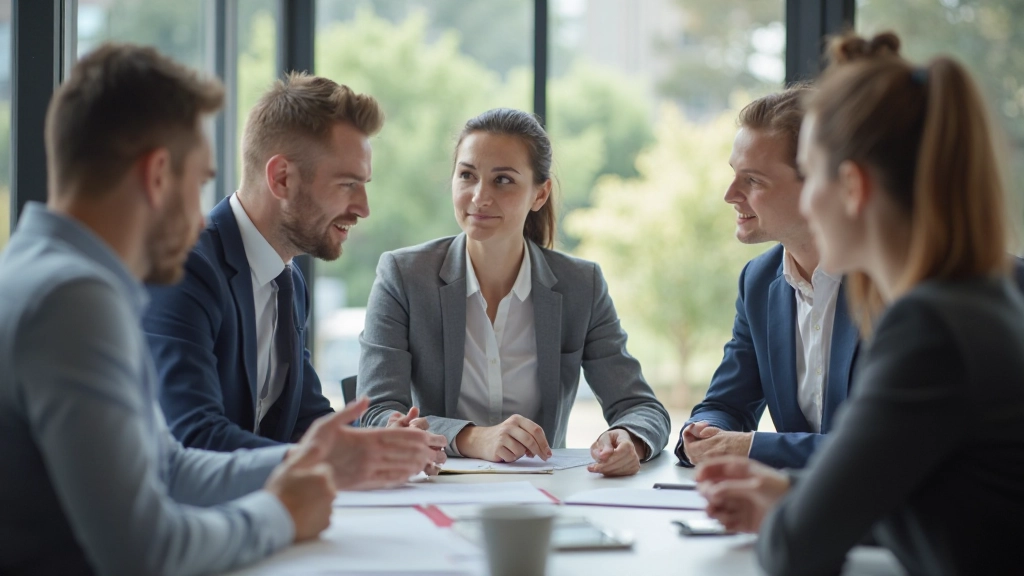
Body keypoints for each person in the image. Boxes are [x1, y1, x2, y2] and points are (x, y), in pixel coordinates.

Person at [0, 43, 436, 575]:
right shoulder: (71, 301)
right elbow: (147, 551)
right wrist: (280, 512)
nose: (202, 214)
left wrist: (323, 458)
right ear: (158, 175)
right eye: (201, 179)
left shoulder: (49, 275)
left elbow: (171, 467)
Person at [697, 32, 1024, 576]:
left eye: (813, 172)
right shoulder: (979, 298)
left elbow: (794, 551)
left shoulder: (927, 326)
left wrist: (796, 509)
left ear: (850, 187)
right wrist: (796, 494)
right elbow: (950, 503)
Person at [142, 73, 446, 472]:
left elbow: (305, 419)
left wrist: (383, 438)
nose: (363, 207)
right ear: (281, 178)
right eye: (348, 184)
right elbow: (193, 436)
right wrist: (335, 457)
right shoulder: (184, 268)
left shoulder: (288, 280)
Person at [357, 108, 671, 477]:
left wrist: (627, 438)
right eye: (467, 176)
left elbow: (642, 409)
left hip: (541, 497)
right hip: (436, 487)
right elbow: (375, 413)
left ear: (540, 194)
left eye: (503, 180)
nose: (478, 197)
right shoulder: (404, 276)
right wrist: (473, 438)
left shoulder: (580, 285)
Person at [674, 85, 863, 470]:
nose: (730, 194)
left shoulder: (893, 281)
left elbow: (878, 449)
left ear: (817, 186)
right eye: (733, 175)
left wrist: (748, 448)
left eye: (754, 180)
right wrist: (706, 431)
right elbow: (726, 404)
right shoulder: (759, 280)